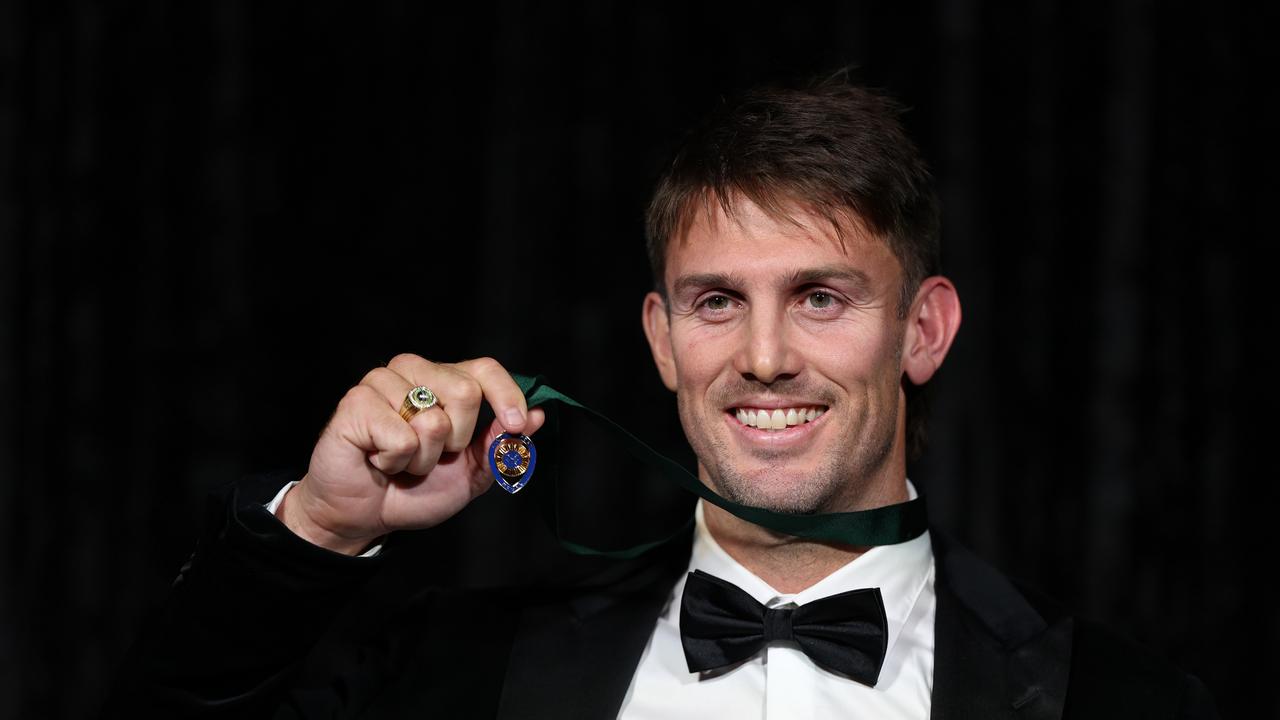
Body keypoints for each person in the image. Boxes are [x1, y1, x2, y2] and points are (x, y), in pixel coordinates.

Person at [104, 76, 1217, 719]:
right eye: (716, 301)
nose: (765, 356)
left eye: (820, 297)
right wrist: (319, 527)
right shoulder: (458, 670)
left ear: (919, 330)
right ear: (661, 339)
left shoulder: (1120, 702)